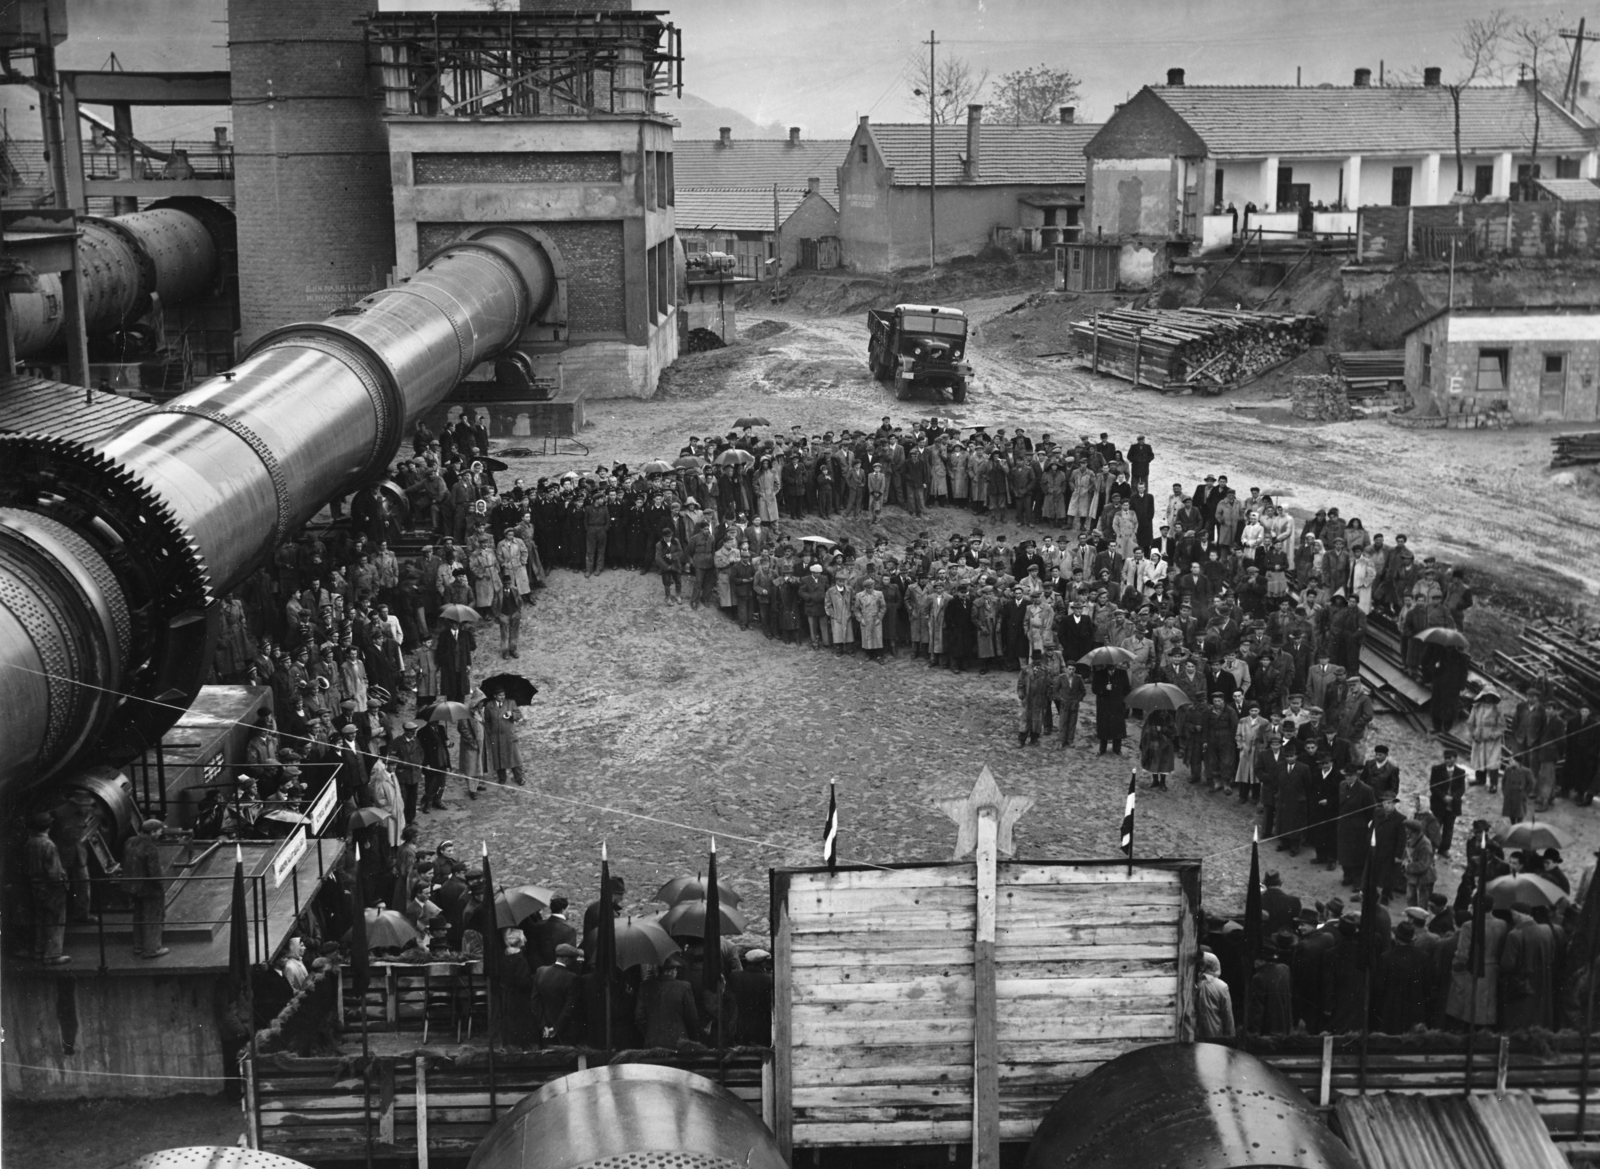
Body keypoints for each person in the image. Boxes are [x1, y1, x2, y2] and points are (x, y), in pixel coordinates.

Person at [25, 812, 71, 964]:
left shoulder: (30, 842)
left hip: (35, 886)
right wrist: (63, 885)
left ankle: (39, 951)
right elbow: (54, 872)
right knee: (55, 920)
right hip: (51, 889)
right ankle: (53, 955)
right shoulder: (49, 845)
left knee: (41, 920)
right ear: (49, 826)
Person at [121, 818, 170, 958]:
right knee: (153, 917)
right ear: (153, 832)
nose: (160, 834)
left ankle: (138, 946)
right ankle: (152, 949)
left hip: (132, 887)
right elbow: (154, 873)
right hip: (149, 890)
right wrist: (161, 888)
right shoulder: (151, 848)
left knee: (138, 916)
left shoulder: (130, 841)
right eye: (159, 831)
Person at [636, 952, 701, 1048]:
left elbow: (639, 1017)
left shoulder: (645, 986)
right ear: (674, 970)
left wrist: (650, 1033)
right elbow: (692, 1019)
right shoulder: (684, 986)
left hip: (652, 1043)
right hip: (679, 1042)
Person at [1428, 748, 1467, 857]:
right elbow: (1433, 786)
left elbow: (1461, 789)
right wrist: (1443, 796)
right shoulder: (1436, 769)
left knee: (1448, 828)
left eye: (1449, 758)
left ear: (1455, 758)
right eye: (1445, 758)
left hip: (1452, 805)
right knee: (1435, 827)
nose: (1447, 760)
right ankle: (1431, 847)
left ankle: (1444, 849)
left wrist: (1453, 797)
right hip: (1438, 804)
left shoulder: (1460, 772)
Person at [483, 689, 526, 786]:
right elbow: (487, 721)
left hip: (509, 735)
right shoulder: (489, 706)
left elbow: (519, 715)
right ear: (494, 696)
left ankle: (519, 777)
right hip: (496, 737)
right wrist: (490, 733)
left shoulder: (511, 702)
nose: (502, 697)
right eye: (499, 695)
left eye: (504, 695)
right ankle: (502, 778)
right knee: (498, 758)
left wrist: (512, 715)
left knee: (514, 757)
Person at [1195, 951, 1235, 1038]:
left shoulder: (1194, 982)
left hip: (1195, 1035)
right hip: (1215, 1036)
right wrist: (1231, 1038)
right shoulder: (1222, 986)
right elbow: (1228, 1016)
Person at [1054, 664, 1086, 749]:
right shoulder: (1061, 677)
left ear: (1075, 670)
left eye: (1073, 669)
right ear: (1066, 669)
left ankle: (1070, 740)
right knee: (1063, 722)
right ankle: (1061, 741)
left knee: (1072, 722)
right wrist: (1060, 698)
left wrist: (1078, 699)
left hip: (1074, 704)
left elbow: (1083, 691)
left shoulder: (1078, 678)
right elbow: (1055, 689)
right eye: (1069, 669)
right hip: (1064, 703)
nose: (1071, 671)